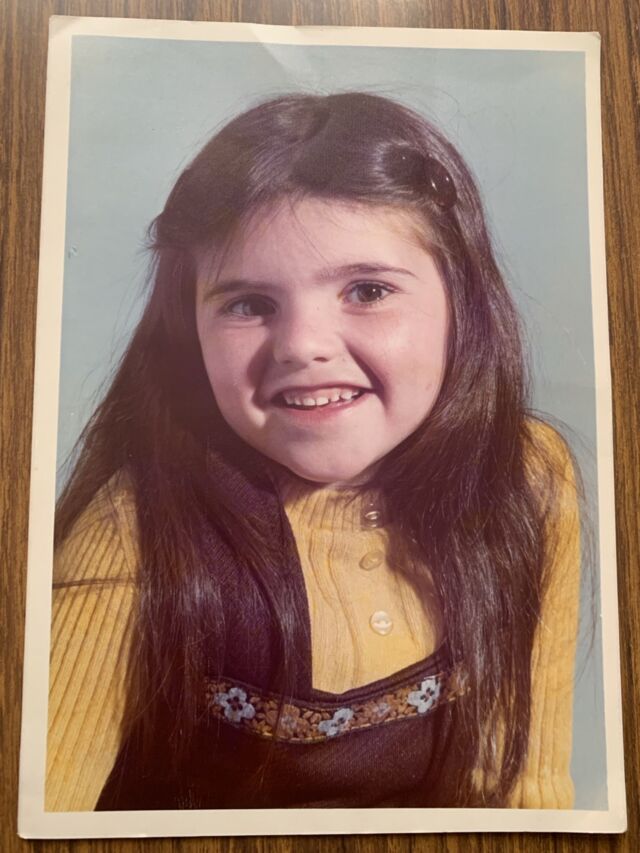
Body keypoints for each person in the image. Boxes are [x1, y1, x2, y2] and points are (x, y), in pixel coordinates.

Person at [46, 92, 581, 811]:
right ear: (188, 331)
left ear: (464, 301)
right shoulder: (136, 535)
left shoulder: (528, 476)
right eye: (248, 305)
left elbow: (527, 794)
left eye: (368, 290)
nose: (301, 346)